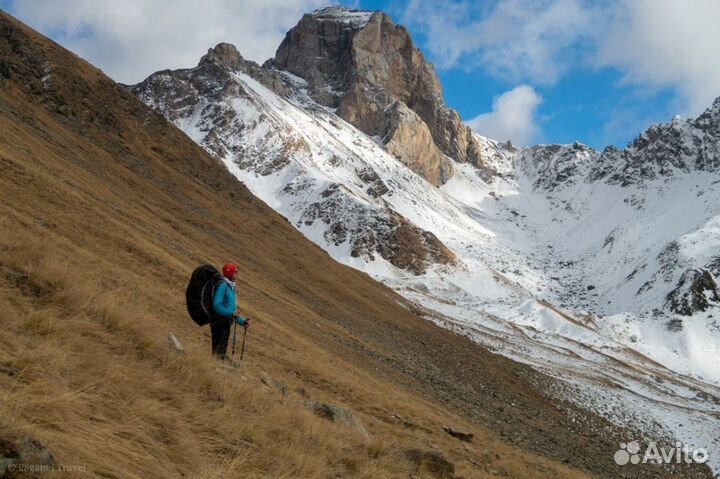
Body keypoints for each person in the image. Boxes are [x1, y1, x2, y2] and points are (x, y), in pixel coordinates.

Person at [211, 263, 249, 360]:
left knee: (222, 350)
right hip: (219, 322)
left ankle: (216, 367)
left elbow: (231, 309)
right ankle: (214, 368)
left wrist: (242, 322)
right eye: (235, 272)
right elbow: (216, 305)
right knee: (218, 350)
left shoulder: (230, 287)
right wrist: (231, 314)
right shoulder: (223, 286)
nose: (236, 274)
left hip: (225, 322)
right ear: (230, 273)